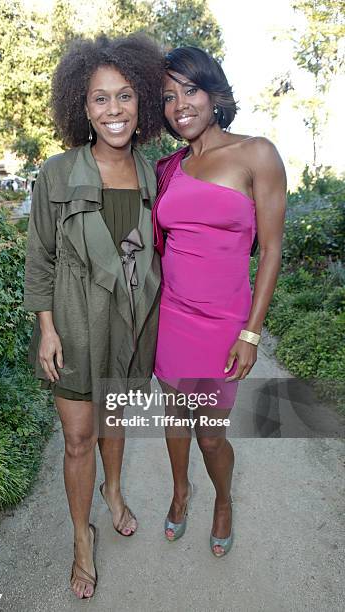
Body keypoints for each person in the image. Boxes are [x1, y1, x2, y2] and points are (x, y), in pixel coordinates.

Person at [23, 34, 163, 599]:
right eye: (100, 99)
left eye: (124, 96)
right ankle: (82, 536)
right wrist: (47, 331)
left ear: (141, 103)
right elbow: (40, 258)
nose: (113, 111)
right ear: (82, 107)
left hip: (133, 325)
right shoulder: (57, 173)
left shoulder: (154, 174)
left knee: (116, 423)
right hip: (77, 325)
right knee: (79, 438)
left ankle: (113, 491)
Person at [152, 47, 286, 557]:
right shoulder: (171, 166)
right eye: (168, 96)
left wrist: (251, 332)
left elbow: (272, 249)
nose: (179, 104)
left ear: (214, 93)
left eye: (190, 90)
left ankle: (223, 499)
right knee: (175, 417)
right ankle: (180, 493)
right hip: (171, 317)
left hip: (224, 324)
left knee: (210, 435)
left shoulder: (257, 154)